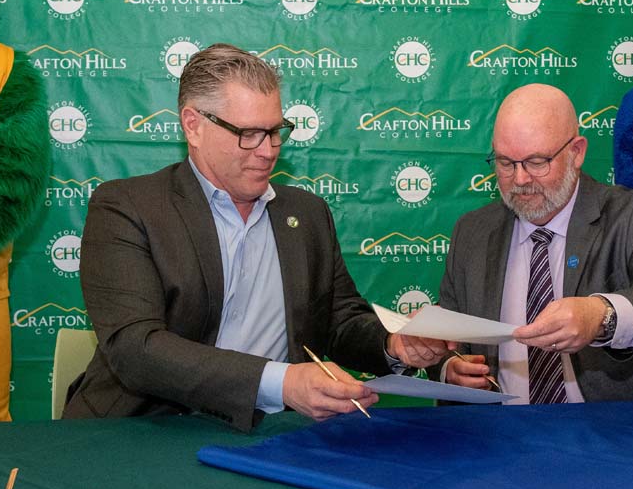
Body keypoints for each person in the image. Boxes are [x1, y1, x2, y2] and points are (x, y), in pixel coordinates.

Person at [63, 43, 449, 430]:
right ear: (193, 125)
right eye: (248, 134)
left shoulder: (307, 214)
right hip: (147, 430)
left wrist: (394, 343)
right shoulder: (127, 207)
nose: (268, 151)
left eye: (275, 131)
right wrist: (281, 383)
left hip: (275, 432)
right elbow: (135, 349)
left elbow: (340, 321)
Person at [440, 84, 633, 402]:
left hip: (622, 425)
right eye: (506, 163)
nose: (520, 179)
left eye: (537, 162)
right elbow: (449, 335)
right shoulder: (473, 231)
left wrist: (601, 315)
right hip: (507, 427)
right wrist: (450, 368)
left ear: (576, 152)